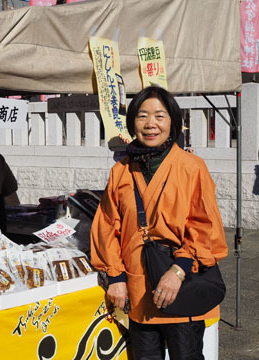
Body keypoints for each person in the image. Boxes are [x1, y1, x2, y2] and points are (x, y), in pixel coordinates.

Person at [90, 86, 228, 360]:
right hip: (138, 287)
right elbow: (106, 225)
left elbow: (205, 226)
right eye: (142, 116)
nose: (150, 124)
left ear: (173, 122)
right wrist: (115, 277)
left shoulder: (191, 166)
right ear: (132, 124)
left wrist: (179, 270)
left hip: (181, 283)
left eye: (159, 116)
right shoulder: (121, 171)